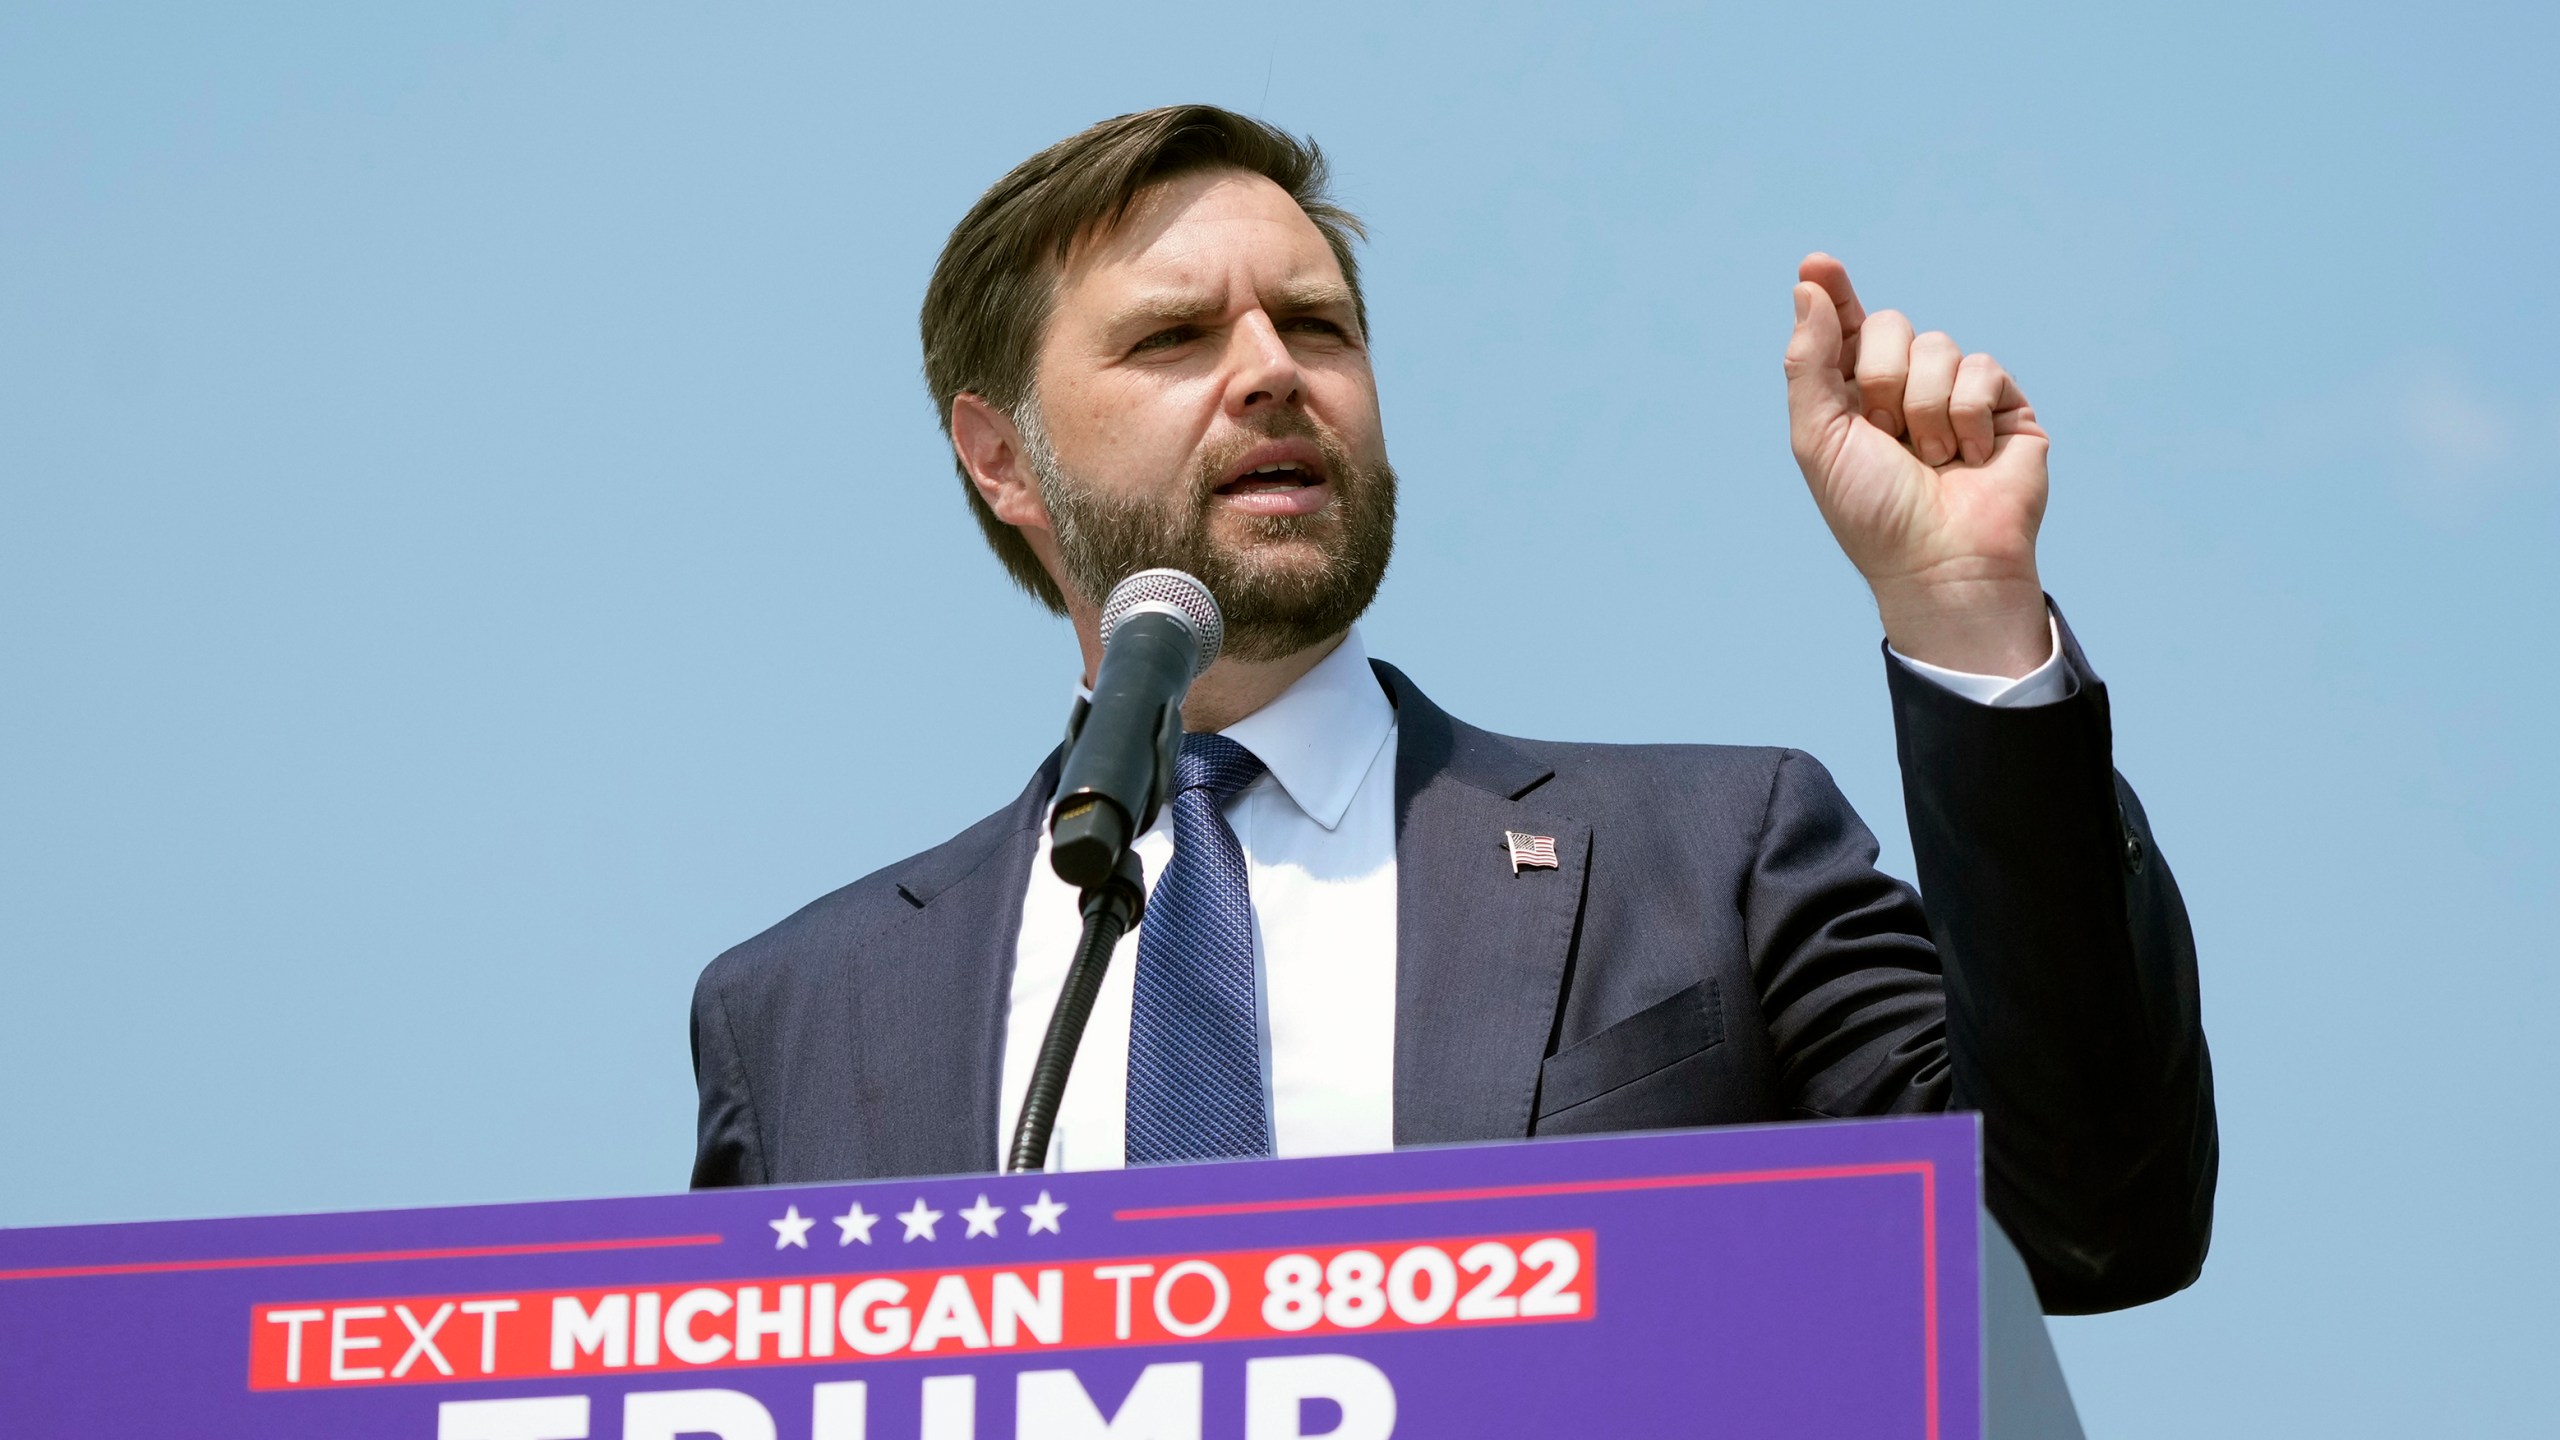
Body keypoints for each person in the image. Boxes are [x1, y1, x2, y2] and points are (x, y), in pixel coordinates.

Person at [688, 105, 2216, 1313]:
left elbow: (2084, 1229)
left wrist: (1963, 617)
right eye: (1174, 338)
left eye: (1320, 324)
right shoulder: (806, 1015)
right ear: (1000, 458)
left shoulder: (1709, 854)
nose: (1274, 373)